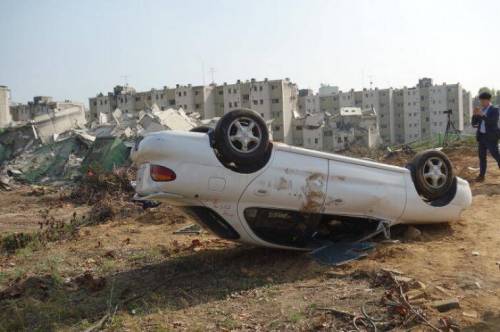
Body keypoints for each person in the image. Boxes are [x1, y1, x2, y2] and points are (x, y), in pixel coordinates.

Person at [471, 92, 500, 182]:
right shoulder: (481, 110)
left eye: (483, 100)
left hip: (491, 137)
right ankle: (481, 176)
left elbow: (492, 122)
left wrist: (482, 115)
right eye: (481, 100)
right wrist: (474, 115)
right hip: (482, 137)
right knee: (482, 157)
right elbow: (474, 124)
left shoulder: (494, 110)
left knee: (496, 155)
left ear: (488, 100)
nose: (481, 102)